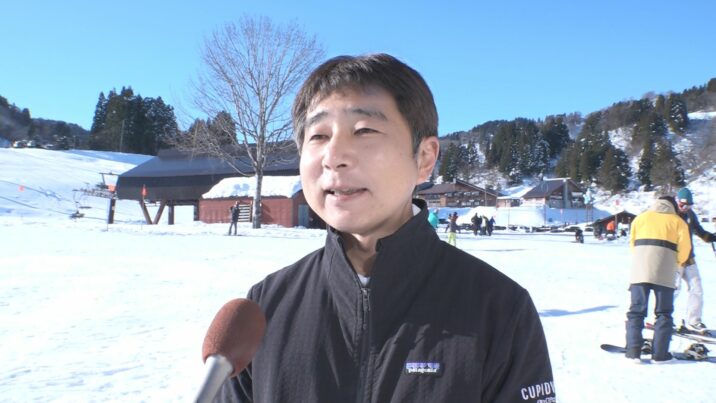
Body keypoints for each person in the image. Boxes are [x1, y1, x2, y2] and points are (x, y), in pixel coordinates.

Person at [218, 53, 555, 402]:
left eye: (364, 130)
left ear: (424, 158)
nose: (334, 156)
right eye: (318, 135)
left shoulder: (500, 310)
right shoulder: (265, 308)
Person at [625, 196, 690, 363]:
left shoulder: (640, 218)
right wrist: (676, 263)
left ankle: (633, 352)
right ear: (673, 206)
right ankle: (660, 355)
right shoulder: (678, 222)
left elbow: (632, 243)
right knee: (664, 313)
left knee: (636, 312)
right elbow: (685, 249)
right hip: (665, 272)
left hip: (640, 271)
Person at [674, 187, 716, 334]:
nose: (685, 208)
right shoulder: (670, 215)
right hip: (674, 258)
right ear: (677, 202)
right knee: (673, 289)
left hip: (689, 258)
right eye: (683, 205)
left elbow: (699, 231)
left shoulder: (690, 215)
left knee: (697, 289)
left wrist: (711, 237)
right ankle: (662, 318)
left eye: (689, 205)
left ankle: (694, 321)